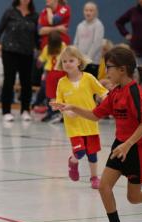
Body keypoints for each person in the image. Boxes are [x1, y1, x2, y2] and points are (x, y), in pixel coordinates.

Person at [51, 46, 142, 222]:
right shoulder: (116, 93)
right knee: (104, 186)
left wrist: (128, 145)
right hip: (120, 146)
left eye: (109, 67)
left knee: (133, 197)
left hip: (137, 148)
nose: (106, 71)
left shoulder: (135, 93)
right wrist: (71, 107)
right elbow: (95, 115)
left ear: (122, 69)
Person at [53, 46, 108, 188]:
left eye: (71, 60)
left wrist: (107, 99)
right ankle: (73, 161)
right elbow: (59, 103)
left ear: (79, 62)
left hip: (90, 123)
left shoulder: (89, 78)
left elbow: (103, 92)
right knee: (80, 151)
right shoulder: (62, 82)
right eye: (64, 61)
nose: (67, 63)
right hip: (73, 125)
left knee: (92, 154)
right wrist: (65, 111)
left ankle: (94, 178)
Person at [0, 0, 39, 122]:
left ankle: (25, 110)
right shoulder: (10, 12)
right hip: (9, 50)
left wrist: (39, 52)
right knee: (9, 80)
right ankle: (6, 111)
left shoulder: (34, 15)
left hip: (27, 52)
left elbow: (37, 35)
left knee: (26, 82)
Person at [37, 30, 66, 122]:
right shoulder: (63, 46)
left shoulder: (47, 48)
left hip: (50, 73)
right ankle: (60, 114)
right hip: (60, 73)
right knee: (59, 95)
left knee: (49, 94)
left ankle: (51, 113)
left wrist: (39, 61)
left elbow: (39, 62)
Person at [116, 0, 142, 66]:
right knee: (138, 74)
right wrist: (126, 34)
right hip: (137, 51)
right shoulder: (132, 11)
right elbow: (119, 22)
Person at [73, 1, 104, 78]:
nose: (88, 12)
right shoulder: (80, 25)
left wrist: (87, 58)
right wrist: (77, 57)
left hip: (92, 62)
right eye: (86, 10)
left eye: (91, 10)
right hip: (80, 62)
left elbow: (96, 43)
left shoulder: (98, 25)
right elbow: (76, 43)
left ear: (96, 12)